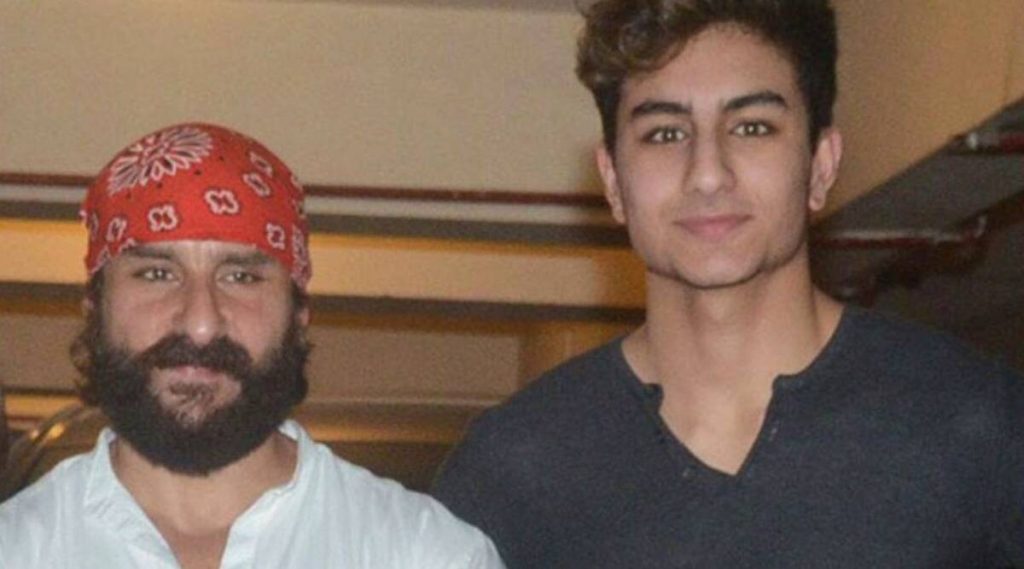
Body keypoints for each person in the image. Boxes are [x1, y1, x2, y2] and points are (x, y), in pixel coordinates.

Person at [432, 1, 1024, 567]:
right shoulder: (512, 470)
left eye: (752, 127)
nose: (708, 173)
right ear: (613, 182)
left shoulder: (976, 424)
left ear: (821, 165)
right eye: (665, 133)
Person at [0, 123, 505, 569]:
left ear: (299, 316)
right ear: (94, 309)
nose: (201, 323)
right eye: (156, 274)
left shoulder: (424, 554)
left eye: (240, 276)